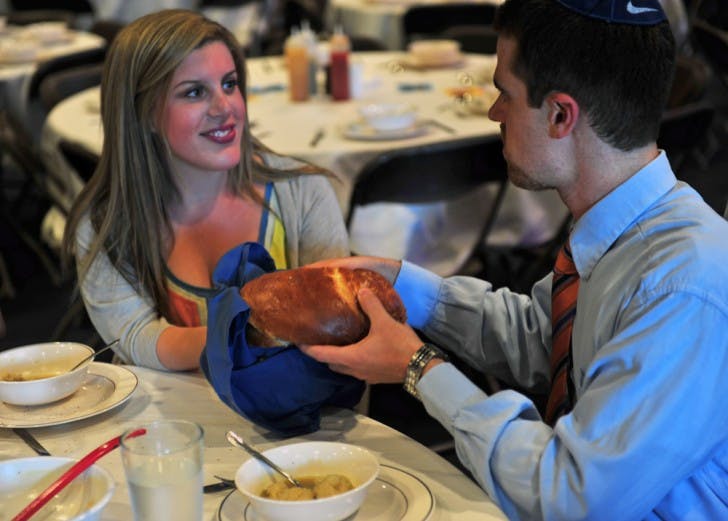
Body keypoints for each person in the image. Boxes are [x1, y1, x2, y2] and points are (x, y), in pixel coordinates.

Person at [299, 0, 728, 518]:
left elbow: (570, 497)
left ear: (560, 115)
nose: (493, 112)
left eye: (504, 93)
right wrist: (401, 286)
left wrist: (417, 367)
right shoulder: (622, 229)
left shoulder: (683, 287)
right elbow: (544, 339)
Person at [62, 10, 349, 371]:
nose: (224, 107)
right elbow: (134, 336)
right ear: (143, 114)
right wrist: (254, 335)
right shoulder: (108, 223)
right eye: (195, 92)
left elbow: (338, 324)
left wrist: (237, 338)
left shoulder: (303, 192)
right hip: (175, 422)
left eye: (229, 84)